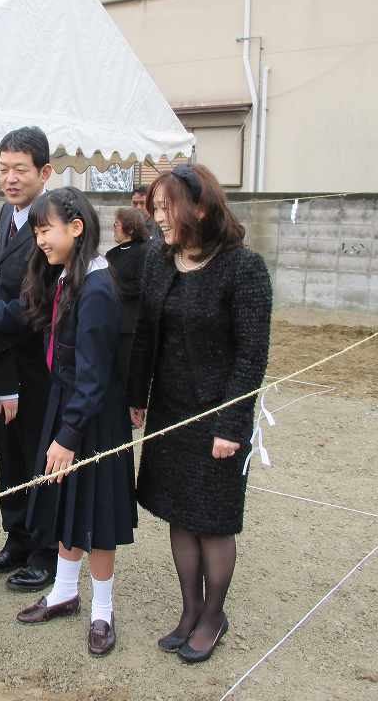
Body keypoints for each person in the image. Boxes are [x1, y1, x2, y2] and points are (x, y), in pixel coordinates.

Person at [0, 187, 138, 657]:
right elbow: (18, 310)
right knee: (65, 504)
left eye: (45, 230)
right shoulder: (64, 277)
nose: (40, 239)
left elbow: (95, 375)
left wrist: (68, 436)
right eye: (37, 230)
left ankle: (102, 612)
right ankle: (65, 593)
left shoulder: (99, 287)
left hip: (93, 418)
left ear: (76, 228)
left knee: (99, 518)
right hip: (66, 406)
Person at [128, 164, 272, 663]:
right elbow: (147, 332)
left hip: (217, 415)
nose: (159, 218)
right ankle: (189, 610)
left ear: (202, 208)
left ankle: (214, 615)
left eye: (168, 208)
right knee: (178, 510)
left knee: (212, 520)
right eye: (155, 209)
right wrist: (136, 394)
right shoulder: (158, 260)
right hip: (171, 409)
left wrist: (232, 425)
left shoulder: (243, 267)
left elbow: (252, 355)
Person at [0, 126, 57, 593]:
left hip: (38, 363)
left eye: (19, 170)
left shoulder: (48, 222)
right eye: (3, 169)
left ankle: (45, 549)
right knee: (8, 453)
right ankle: (17, 536)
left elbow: (34, 306)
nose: (9, 178)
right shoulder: (7, 217)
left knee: (36, 454)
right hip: (5, 355)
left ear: (44, 172)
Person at [105, 207, 148, 383]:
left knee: (128, 374)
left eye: (117, 224)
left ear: (130, 229)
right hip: (111, 322)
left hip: (131, 324)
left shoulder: (145, 251)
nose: (114, 228)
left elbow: (142, 285)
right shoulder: (112, 254)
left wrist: (114, 288)